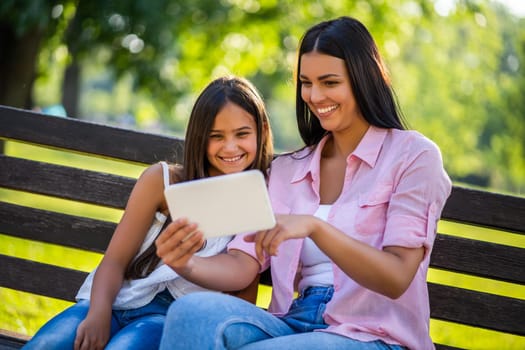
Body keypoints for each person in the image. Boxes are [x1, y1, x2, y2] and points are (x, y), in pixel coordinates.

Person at [155, 16, 452, 350]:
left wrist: (314, 227)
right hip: (294, 324)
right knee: (189, 313)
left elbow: (397, 277)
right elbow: (242, 263)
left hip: (376, 335)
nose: (314, 95)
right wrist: (186, 262)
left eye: (329, 82)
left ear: (364, 79)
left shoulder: (413, 156)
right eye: (305, 82)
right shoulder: (286, 170)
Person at [22, 76, 273, 350]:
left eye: (242, 134)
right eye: (216, 136)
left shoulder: (259, 199)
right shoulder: (163, 180)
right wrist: (98, 312)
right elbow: (114, 261)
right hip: (116, 302)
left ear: (260, 131)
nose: (230, 147)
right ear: (200, 138)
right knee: (45, 345)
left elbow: (242, 291)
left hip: (167, 319)